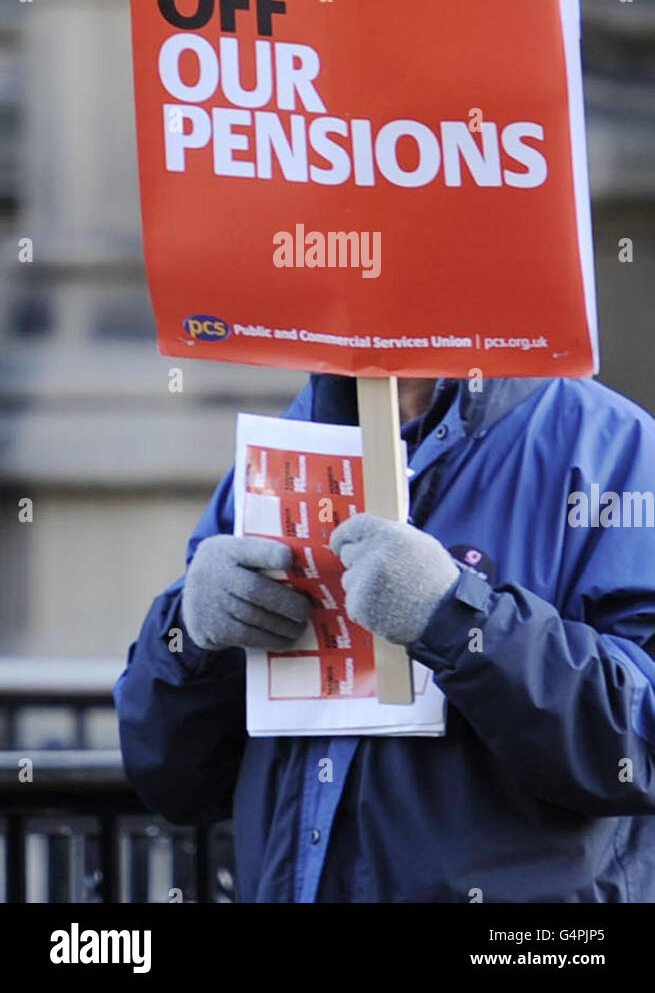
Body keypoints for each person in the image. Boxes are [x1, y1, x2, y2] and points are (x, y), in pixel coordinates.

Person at [116, 374, 655, 902]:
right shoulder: (288, 441)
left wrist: (461, 620)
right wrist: (190, 636)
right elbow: (170, 778)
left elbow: (636, 749)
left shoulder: (611, 445)